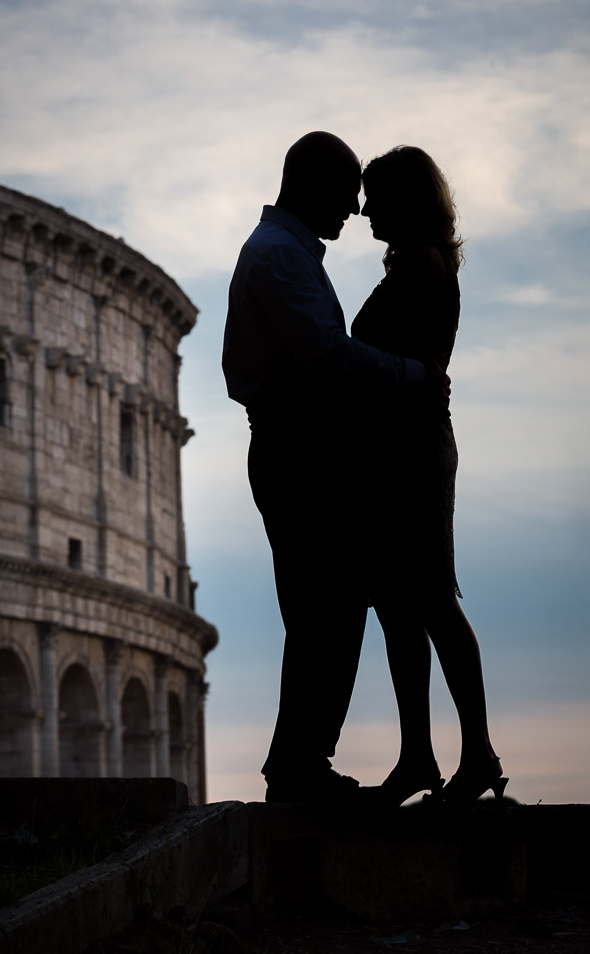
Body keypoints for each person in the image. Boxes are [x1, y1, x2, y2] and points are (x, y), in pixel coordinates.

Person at [222, 132, 425, 804]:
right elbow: (325, 357)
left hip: (295, 448)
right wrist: (409, 375)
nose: (355, 211)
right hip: (295, 450)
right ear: (312, 187)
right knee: (326, 608)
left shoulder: (282, 251)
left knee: (322, 610)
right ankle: (299, 767)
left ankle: (299, 762)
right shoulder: (280, 257)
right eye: (345, 196)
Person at [351, 145, 507, 806]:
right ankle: (423, 754)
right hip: (399, 448)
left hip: (409, 451)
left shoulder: (420, 264)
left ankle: (472, 756)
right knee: (398, 605)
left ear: (410, 198)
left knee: (429, 601)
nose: (363, 211)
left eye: (375, 197)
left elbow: (385, 357)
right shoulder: (423, 262)